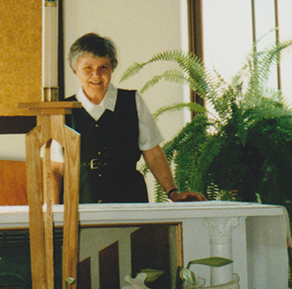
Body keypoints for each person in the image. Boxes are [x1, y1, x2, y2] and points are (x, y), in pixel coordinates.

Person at [65, 33, 206, 203]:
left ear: (112, 69)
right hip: (80, 200)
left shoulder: (131, 101)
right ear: (76, 71)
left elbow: (153, 153)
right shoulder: (63, 109)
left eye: (104, 67)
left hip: (129, 197)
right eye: (88, 68)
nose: (96, 75)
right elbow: (56, 168)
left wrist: (172, 192)